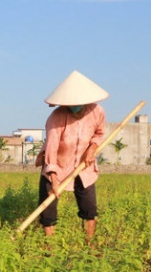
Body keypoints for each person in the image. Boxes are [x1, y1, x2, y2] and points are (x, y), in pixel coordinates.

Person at [35, 70, 108, 239]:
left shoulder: (97, 112)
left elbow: (99, 133)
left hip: (84, 167)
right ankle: (50, 248)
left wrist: (92, 149)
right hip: (57, 165)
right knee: (48, 209)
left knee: (89, 209)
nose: (76, 108)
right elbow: (51, 150)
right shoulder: (56, 118)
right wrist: (53, 179)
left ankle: (88, 244)